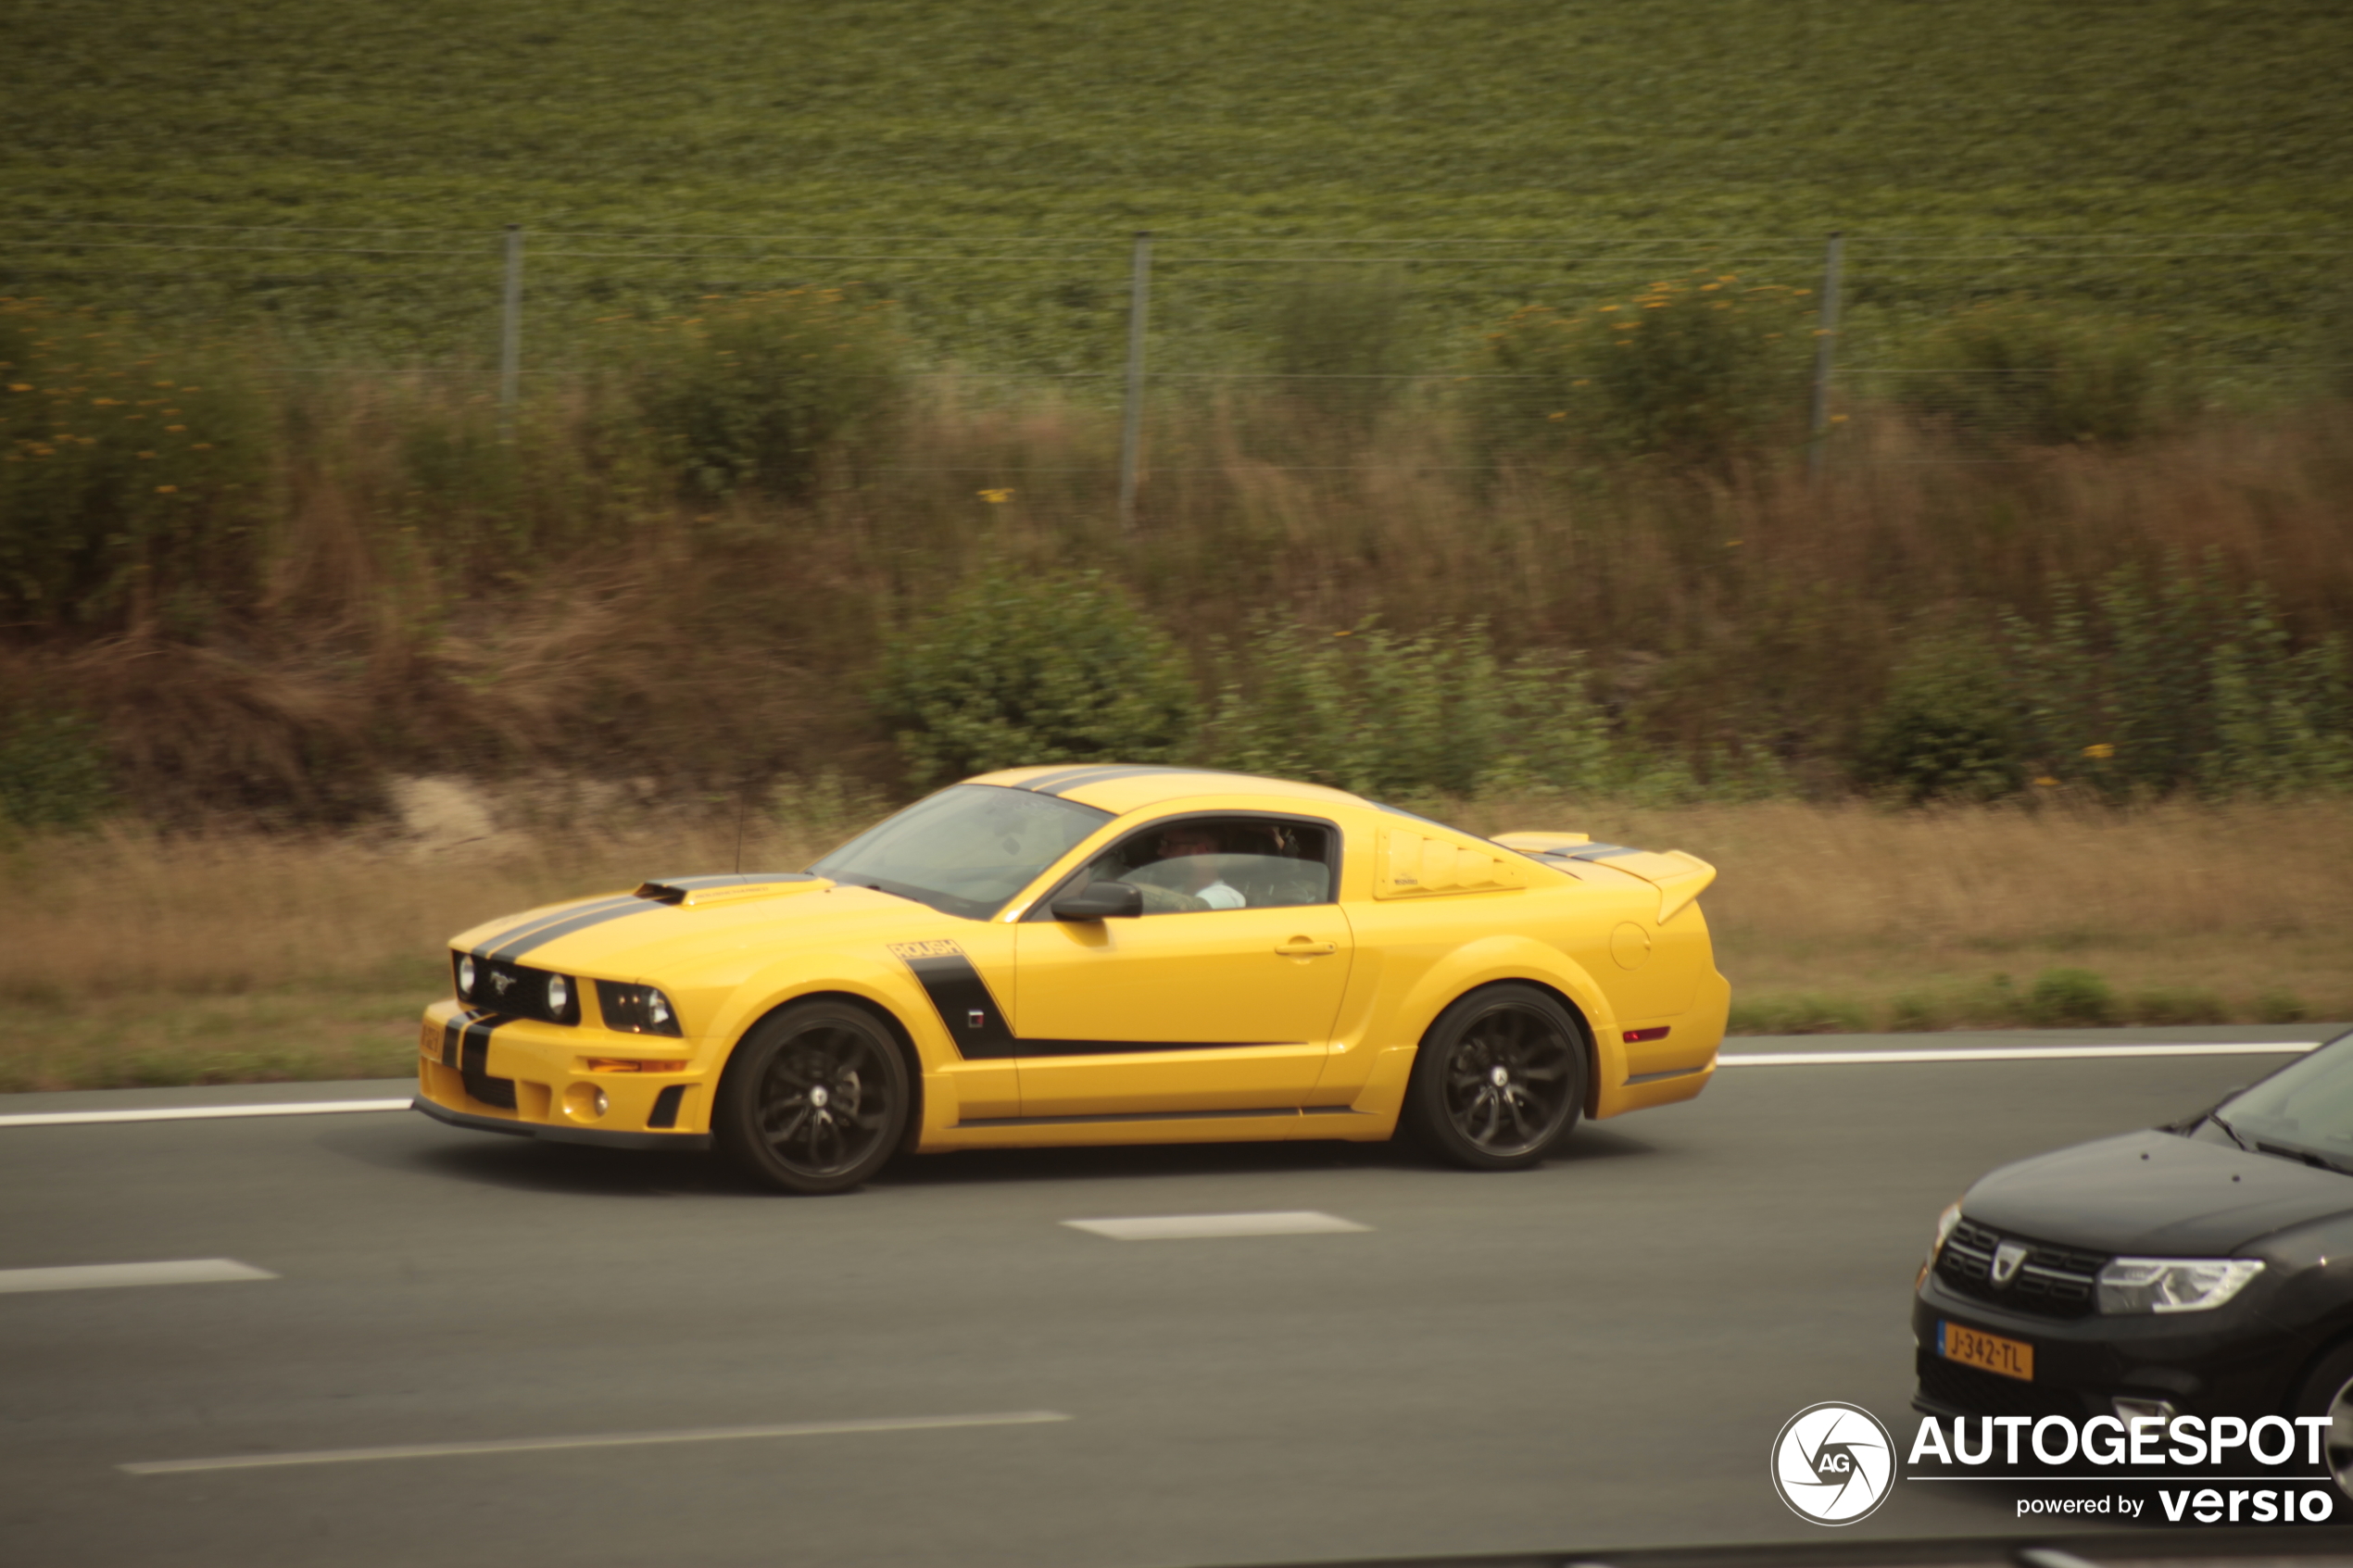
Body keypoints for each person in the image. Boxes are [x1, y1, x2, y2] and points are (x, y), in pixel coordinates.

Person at [1151, 823, 1246, 909]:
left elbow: (1187, 910)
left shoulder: (1225, 897)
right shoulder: (1176, 890)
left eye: (1171, 845)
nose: (1161, 851)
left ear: (1200, 852)